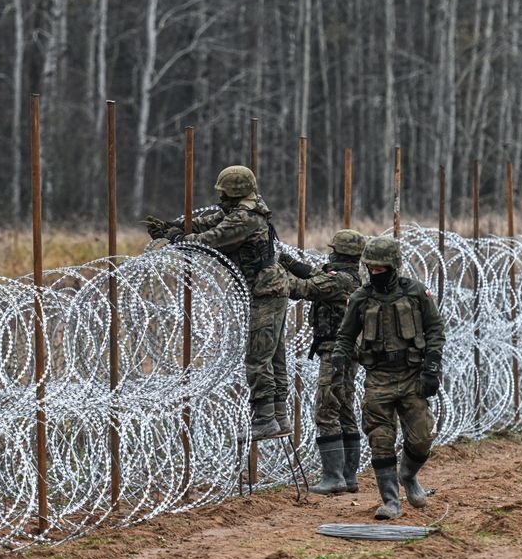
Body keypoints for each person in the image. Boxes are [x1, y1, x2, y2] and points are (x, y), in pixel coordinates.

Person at [143, 165, 291, 439]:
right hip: (268, 289)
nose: (220, 196)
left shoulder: (244, 219)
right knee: (273, 355)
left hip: (264, 291)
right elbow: (209, 223)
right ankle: (279, 416)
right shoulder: (244, 211)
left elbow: (210, 240)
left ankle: (266, 418)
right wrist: (174, 227)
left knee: (258, 356)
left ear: (233, 191)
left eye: (223, 191)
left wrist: (177, 238)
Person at [330, 235, 444, 520]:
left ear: (394, 266)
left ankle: (409, 476)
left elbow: (435, 330)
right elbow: (345, 337)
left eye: (381, 268)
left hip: (411, 376)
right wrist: (338, 368)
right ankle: (391, 501)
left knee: (421, 439)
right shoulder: (361, 298)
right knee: (380, 440)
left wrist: (432, 368)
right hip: (378, 378)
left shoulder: (416, 293)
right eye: (371, 268)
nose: (375, 273)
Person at [267, 229, 365, 494]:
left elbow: (304, 289)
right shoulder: (347, 277)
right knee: (344, 409)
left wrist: (272, 273)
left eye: (333, 250)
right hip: (344, 352)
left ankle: (334, 478)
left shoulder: (341, 281)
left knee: (326, 410)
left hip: (336, 352)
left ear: (340, 253)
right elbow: (315, 275)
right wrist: (288, 262)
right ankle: (348, 477)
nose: (329, 253)